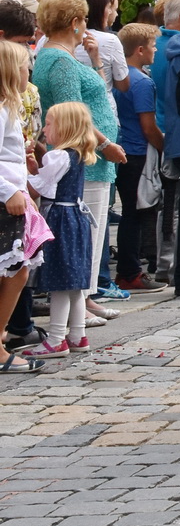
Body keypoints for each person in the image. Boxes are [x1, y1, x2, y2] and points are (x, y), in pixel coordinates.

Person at [32, 0, 127, 309]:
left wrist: (96, 59)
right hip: (87, 157)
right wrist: (105, 144)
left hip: (92, 154)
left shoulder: (62, 55)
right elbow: (72, 113)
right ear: (74, 22)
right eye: (84, 19)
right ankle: (79, 302)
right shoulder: (59, 60)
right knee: (87, 231)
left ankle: (86, 297)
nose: (86, 24)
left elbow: (94, 94)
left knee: (94, 231)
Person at [20, 103, 103, 359]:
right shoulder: (77, 154)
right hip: (75, 219)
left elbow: (39, 188)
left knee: (59, 281)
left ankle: (56, 338)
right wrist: (36, 170)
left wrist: (23, 173)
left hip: (60, 220)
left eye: (48, 124)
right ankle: (77, 334)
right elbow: (49, 181)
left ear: (64, 127)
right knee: (74, 283)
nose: (44, 130)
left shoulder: (58, 156)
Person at [113, 24, 167, 294]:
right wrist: (164, 147)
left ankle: (129, 269)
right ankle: (130, 271)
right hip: (137, 152)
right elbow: (148, 126)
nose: (156, 50)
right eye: (153, 46)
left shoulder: (118, 77)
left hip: (122, 149)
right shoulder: (143, 82)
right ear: (140, 50)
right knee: (136, 214)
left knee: (129, 213)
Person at [0, 42, 43, 373]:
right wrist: (10, 190)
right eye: (23, 65)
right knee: (15, 270)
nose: (28, 70)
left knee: (18, 269)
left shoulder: (8, 107)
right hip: (6, 200)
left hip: (13, 197)